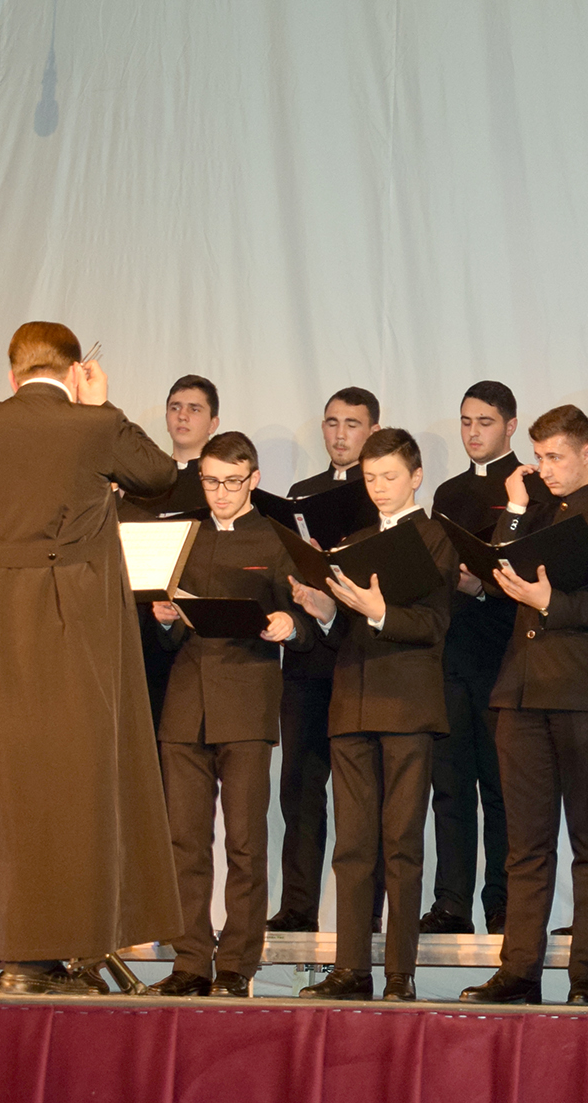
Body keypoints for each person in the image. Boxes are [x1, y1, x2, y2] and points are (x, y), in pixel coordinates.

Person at [0, 321, 183, 995]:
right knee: (63, 787)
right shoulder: (93, 425)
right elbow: (159, 475)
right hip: (66, 624)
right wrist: (100, 404)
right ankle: (30, 962)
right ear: (71, 372)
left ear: (12, 375)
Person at [459, 405, 588, 1007]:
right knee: (525, 843)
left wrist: (550, 602)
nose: (546, 468)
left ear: (587, 452)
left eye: (556, 457)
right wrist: (515, 507)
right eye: (539, 458)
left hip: (586, 691)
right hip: (521, 692)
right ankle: (519, 969)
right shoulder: (537, 511)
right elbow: (495, 574)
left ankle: (587, 975)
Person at [292, 428, 458, 1002]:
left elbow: (434, 624)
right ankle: (351, 968)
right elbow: (342, 633)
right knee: (353, 845)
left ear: (416, 477)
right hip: (352, 702)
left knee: (402, 842)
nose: (380, 488)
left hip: (408, 704)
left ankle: (399, 972)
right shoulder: (357, 541)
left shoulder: (435, 538)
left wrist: (381, 611)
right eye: (370, 478)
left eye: (390, 477)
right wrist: (325, 610)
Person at [144, 431, 308, 999]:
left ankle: (237, 962)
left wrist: (291, 624)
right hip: (186, 705)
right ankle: (190, 961)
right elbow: (166, 638)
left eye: (232, 482)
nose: (220, 492)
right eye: (211, 481)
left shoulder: (278, 539)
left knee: (244, 842)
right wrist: (165, 620)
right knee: (184, 842)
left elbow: (305, 619)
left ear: (254, 480)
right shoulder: (183, 535)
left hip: (247, 700)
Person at [269, 386, 380, 933]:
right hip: (308, 660)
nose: (340, 434)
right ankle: (298, 907)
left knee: (363, 798)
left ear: (373, 432)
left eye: (352, 424)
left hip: (360, 663)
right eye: (332, 423)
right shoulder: (303, 493)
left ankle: (366, 915)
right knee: (300, 789)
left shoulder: (380, 494)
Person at [421, 382, 518, 936]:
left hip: (505, 657)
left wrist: (481, 586)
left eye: (485, 422)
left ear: (509, 426)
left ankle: (503, 904)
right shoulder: (448, 492)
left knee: (501, 791)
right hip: (452, 656)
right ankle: (452, 903)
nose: (473, 432)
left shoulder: (528, 488)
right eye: (465, 421)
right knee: (451, 788)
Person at [124, 375, 222, 761]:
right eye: (175, 408)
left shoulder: (219, 488)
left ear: (213, 423)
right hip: (141, 629)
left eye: (194, 409)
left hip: (196, 633)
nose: (182, 416)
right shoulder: (143, 482)